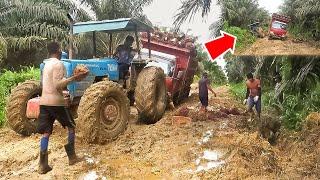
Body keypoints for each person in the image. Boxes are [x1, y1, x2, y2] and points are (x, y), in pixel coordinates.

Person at [37, 42, 88, 174]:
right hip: (56, 102)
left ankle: (43, 165)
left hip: (44, 102)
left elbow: (45, 84)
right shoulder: (58, 64)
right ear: (58, 51)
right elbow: (58, 85)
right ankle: (72, 157)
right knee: (71, 127)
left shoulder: (46, 64)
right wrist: (74, 77)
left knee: (46, 132)